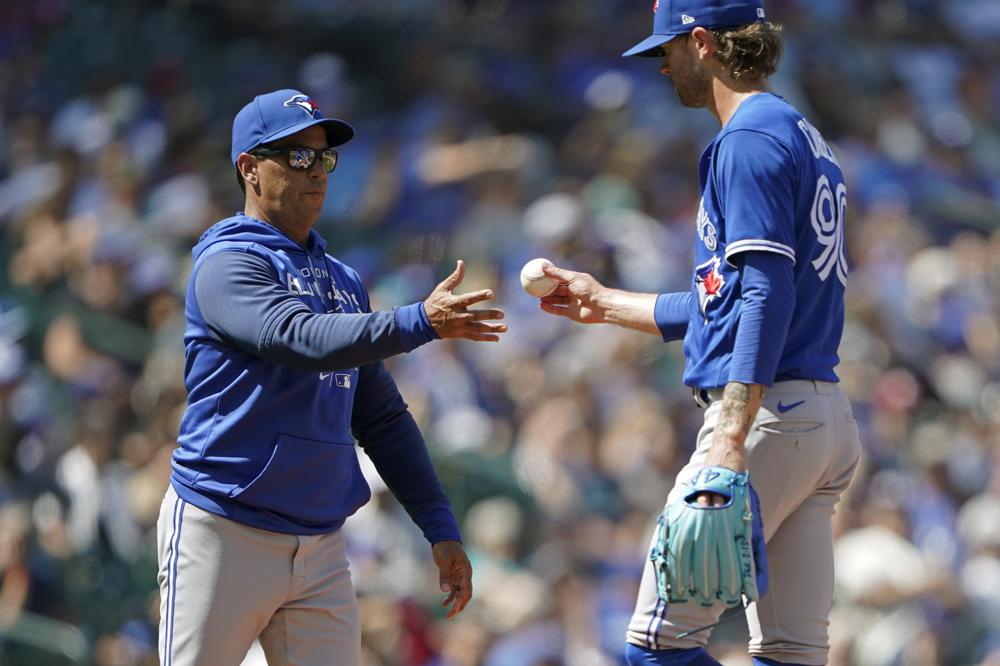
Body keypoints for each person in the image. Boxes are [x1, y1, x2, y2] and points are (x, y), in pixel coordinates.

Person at [535, 3, 862, 665]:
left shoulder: (748, 139)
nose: (662, 65)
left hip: (767, 418)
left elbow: (766, 293)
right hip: (818, 416)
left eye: (668, 49)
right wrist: (606, 303)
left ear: (704, 42)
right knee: (792, 654)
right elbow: (735, 299)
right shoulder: (796, 130)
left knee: (657, 646)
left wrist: (732, 431)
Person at [156, 88, 507, 666]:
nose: (316, 171)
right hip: (224, 528)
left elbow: (381, 417)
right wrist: (420, 321)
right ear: (249, 168)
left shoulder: (342, 279)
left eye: (323, 157)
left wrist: (439, 526)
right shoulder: (227, 262)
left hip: (320, 545)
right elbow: (296, 338)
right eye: (297, 156)